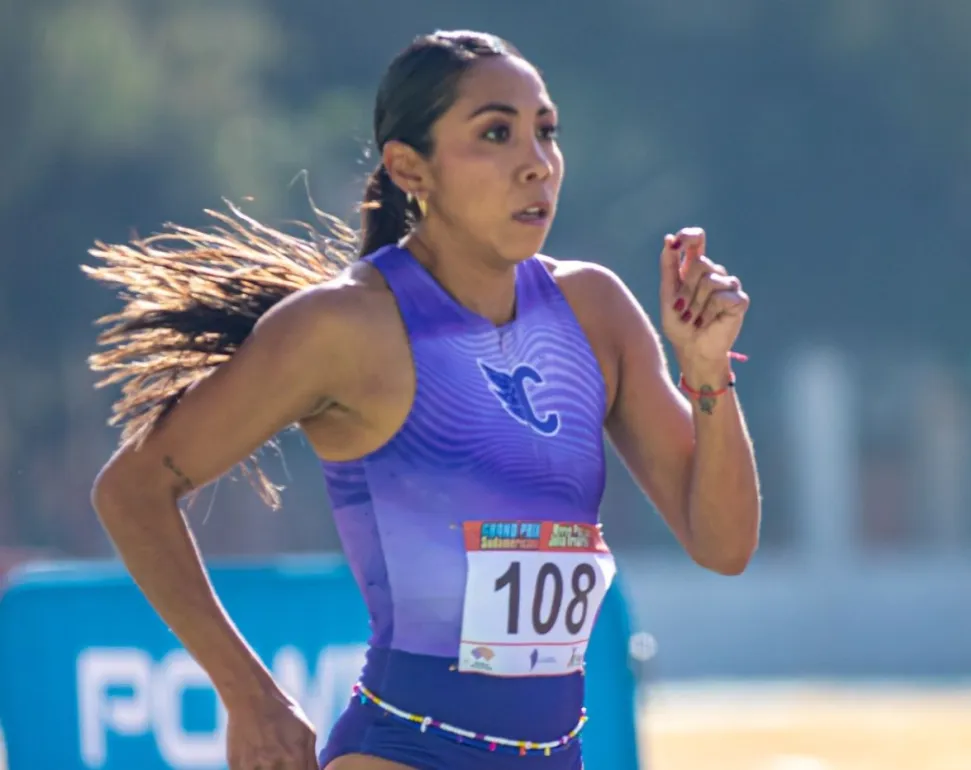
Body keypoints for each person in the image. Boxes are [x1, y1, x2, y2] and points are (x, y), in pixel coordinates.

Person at [85, 29, 760, 770]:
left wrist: (707, 371)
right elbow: (132, 489)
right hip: (402, 752)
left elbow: (723, 545)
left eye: (545, 132)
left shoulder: (595, 310)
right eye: (496, 134)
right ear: (411, 168)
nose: (536, 164)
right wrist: (250, 695)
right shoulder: (344, 327)